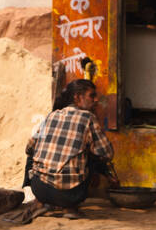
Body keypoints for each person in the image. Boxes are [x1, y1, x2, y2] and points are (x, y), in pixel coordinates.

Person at [24, 78, 116, 219]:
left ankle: (39, 202)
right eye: (92, 95)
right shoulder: (88, 118)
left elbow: (29, 149)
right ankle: (71, 208)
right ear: (78, 97)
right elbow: (107, 153)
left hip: (40, 189)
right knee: (92, 156)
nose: (96, 100)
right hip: (70, 195)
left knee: (34, 152)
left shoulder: (51, 115)